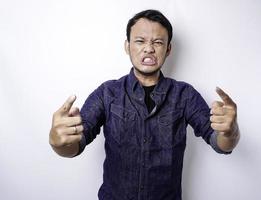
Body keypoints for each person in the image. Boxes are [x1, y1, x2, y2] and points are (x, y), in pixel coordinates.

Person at [49, 9, 240, 200]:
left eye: (157, 42)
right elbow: (75, 144)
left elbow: (220, 143)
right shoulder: (107, 93)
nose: (149, 48)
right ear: (127, 46)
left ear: (168, 49)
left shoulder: (185, 95)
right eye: (140, 41)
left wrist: (230, 133)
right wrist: (58, 143)